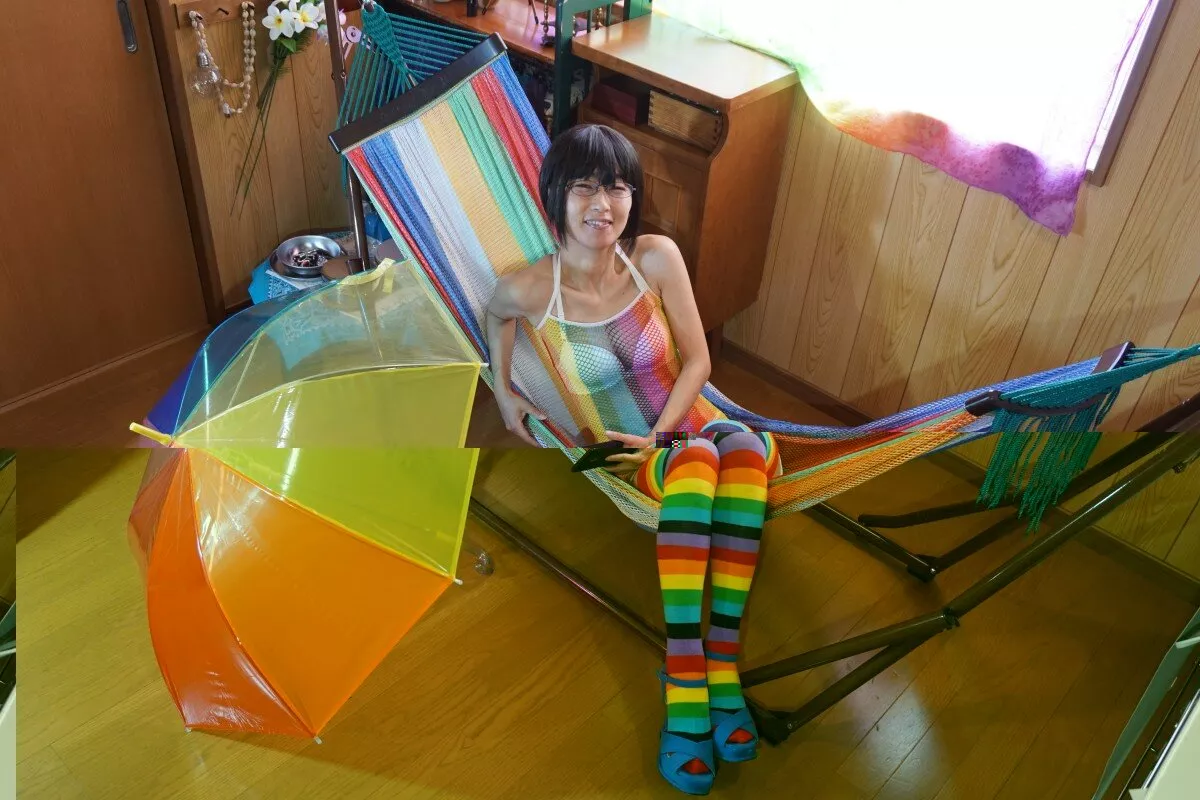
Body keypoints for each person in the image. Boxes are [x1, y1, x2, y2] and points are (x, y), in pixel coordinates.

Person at [484, 124, 781, 795]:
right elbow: (492, 315)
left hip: (690, 429)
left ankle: (709, 667)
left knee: (734, 444)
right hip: (627, 456)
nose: (603, 203)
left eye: (617, 186)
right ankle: (697, 676)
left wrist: (667, 434)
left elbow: (698, 361)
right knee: (707, 459)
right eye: (584, 187)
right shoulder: (532, 289)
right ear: (555, 197)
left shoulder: (655, 258)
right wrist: (503, 392)